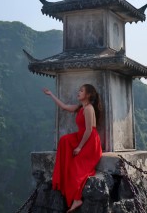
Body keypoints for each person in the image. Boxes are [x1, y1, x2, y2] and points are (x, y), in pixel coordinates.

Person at [43, 84, 102, 212]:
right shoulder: (81, 107)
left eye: (81, 91)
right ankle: (74, 197)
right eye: (79, 90)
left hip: (90, 142)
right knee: (64, 140)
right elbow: (64, 106)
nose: (78, 92)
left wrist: (80, 147)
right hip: (82, 137)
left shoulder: (89, 109)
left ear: (88, 95)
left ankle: (77, 199)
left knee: (75, 168)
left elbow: (89, 130)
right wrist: (51, 94)